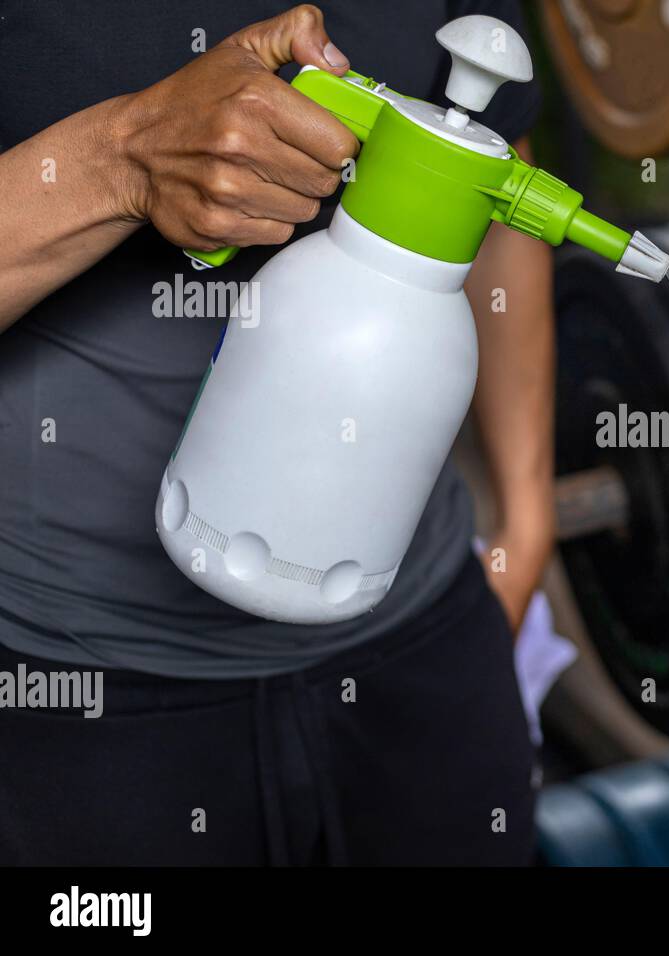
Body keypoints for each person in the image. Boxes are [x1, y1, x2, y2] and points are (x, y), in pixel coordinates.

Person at [0, 2, 554, 865]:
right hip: (82, 675)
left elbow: (500, 190)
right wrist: (118, 158)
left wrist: (527, 521)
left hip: (420, 635)